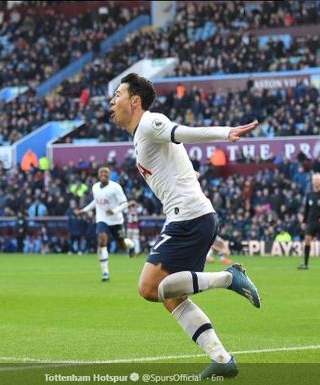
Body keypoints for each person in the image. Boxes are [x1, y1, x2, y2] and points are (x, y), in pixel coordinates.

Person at [109, 73, 261, 379]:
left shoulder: (150, 123)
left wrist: (224, 132)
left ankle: (229, 278)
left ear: (134, 101)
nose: (112, 102)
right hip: (192, 216)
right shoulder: (141, 135)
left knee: (149, 288)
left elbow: (183, 133)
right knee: (172, 297)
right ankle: (221, 358)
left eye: (117, 95)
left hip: (188, 217)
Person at [75, 167, 133, 282]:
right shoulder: (95, 187)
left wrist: (114, 210)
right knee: (102, 240)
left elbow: (124, 203)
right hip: (102, 218)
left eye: (106, 172)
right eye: (101, 172)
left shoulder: (115, 187)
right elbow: (95, 202)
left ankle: (131, 245)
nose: (103, 174)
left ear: (109, 175)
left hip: (116, 220)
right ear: (98, 174)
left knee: (121, 245)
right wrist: (84, 210)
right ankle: (105, 272)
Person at [298, 172, 320, 270]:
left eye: (318, 180)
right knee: (307, 240)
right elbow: (306, 209)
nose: (316, 182)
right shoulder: (309, 194)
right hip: (311, 221)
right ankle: (305, 264)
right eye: (314, 180)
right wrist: (304, 221)